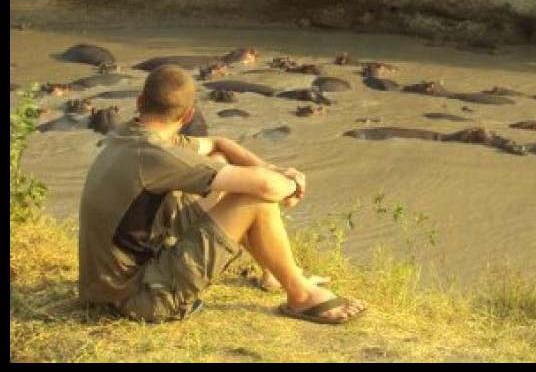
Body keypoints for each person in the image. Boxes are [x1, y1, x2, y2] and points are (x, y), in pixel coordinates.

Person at [78, 64, 366, 324]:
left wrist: (268, 167)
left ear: (139, 103)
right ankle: (300, 295)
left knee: (224, 168)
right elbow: (267, 187)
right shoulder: (157, 153)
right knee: (253, 198)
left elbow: (218, 144)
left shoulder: (132, 135)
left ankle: (275, 273)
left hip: (108, 286)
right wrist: (293, 183)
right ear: (189, 114)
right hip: (135, 299)